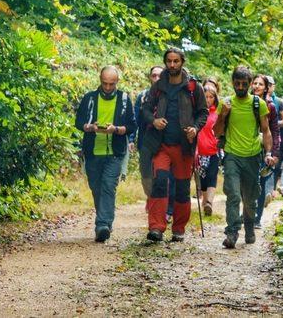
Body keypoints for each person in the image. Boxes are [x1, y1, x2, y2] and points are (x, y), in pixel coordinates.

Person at [141, 48, 208, 242]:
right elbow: (145, 108)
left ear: (182, 62)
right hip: (160, 144)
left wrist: (195, 128)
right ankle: (156, 227)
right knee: (159, 182)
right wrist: (153, 121)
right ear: (165, 62)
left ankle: (178, 228)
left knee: (181, 188)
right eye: (169, 61)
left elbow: (203, 112)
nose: (172, 65)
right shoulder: (158, 86)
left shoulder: (193, 87)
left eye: (176, 61)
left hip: (183, 146)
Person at [214, 66, 274, 249]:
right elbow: (216, 132)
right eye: (237, 83)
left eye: (244, 84)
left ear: (249, 85)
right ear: (232, 83)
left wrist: (269, 153)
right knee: (232, 194)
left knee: (249, 198)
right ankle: (231, 233)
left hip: (253, 156)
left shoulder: (258, 104)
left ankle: (249, 226)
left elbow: (266, 130)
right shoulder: (225, 103)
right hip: (232, 155)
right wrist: (223, 115)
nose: (240, 87)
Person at [75, 66, 136, 242]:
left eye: (112, 84)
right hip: (93, 151)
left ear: (117, 82)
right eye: (105, 83)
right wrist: (90, 127)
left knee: (109, 186)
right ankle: (105, 222)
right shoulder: (89, 98)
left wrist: (116, 129)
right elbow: (79, 122)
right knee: (96, 187)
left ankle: (102, 224)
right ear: (100, 80)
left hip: (115, 152)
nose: (108, 87)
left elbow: (132, 126)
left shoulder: (124, 99)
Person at [251, 74, 280, 229]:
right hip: (247, 147)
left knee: (261, 182)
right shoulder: (245, 102)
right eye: (254, 83)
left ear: (266, 88)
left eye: (260, 84)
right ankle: (248, 211)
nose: (256, 86)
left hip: (264, 150)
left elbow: (275, 131)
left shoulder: (271, 106)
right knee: (248, 183)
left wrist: (274, 153)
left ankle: (257, 218)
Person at [133, 66, 163, 208]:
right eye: (154, 76)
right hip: (145, 142)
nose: (156, 78)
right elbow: (136, 120)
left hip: (164, 143)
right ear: (150, 78)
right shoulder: (143, 96)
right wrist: (131, 139)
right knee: (146, 174)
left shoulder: (168, 95)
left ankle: (160, 205)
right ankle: (150, 196)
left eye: (159, 75)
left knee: (161, 174)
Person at [195, 84, 220, 216]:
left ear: (215, 98)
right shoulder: (197, 112)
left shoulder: (217, 113)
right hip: (199, 152)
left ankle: (209, 202)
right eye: (206, 97)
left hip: (214, 151)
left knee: (212, 176)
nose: (209, 99)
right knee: (203, 179)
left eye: (211, 97)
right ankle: (205, 202)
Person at [266, 76, 283, 197]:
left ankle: (269, 191)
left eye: (270, 85)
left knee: (273, 164)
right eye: (267, 84)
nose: (268, 87)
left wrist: (274, 123)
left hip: (276, 137)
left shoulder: (279, 102)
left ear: (274, 86)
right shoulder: (253, 98)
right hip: (257, 136)